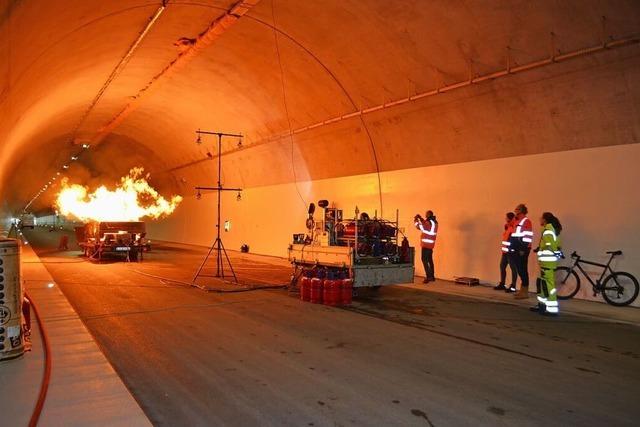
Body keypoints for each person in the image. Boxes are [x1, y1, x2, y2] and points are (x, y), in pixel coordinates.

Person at [531, 212, 563, 316]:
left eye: (541, 218)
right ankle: (542, 306)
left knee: (548, 286)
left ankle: (552, 309)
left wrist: (543, 249)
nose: (540, 219)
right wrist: (539, 248)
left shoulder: (548, 230)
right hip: (547, 262)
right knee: (542, 284)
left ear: (545, 219)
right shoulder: (551, 229)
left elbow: (551, 246)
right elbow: (555, 245)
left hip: (547, 262)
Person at [510, 204, 533, 299]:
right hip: (516, 248)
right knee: (519, 269)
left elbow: (528, 236)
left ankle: (525, 292)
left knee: (523, 270)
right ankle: (522, 290)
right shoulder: (516, 220)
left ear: (522, 210)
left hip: (522, 249)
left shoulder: (526, 221)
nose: (515, 210)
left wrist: (523, 249)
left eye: (517, 209)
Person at [494, 212, 518, 291]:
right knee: (502, 266)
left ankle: (513, 286)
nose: (505, 219)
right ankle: (502, 283)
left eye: (506, 217)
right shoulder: (508, 227)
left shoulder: (514, 227)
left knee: (513, 268)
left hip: (510, 252)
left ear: (509, 218)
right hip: (505, 252)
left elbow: (513, 240)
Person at [415, 210, 438, 283]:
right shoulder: (434, 222)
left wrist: (416, 220)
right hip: (431, 245)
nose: (425, 215)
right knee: (430, 260)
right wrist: (421, 218)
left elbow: (420, 227)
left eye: (426, 214)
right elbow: (426, 224)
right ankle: (432, 276)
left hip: (425, 245)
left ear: (428, 215)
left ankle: (428, 277)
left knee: (424, 260)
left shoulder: (428, 223)